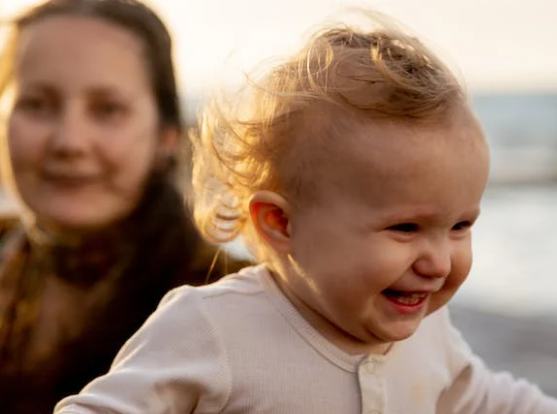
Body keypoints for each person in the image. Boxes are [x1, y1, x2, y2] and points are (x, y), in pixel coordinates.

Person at [54, 10, 557, 414]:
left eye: (459, 226)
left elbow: (495, 400)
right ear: (281, 223)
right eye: (406, 227)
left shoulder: (430, 336)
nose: (439, 262)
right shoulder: (212, 328)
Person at [0, 0, 250, 413]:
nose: (69, 142)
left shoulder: (236, 306)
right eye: (37, 104)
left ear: (166, 136)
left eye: (108, 109)